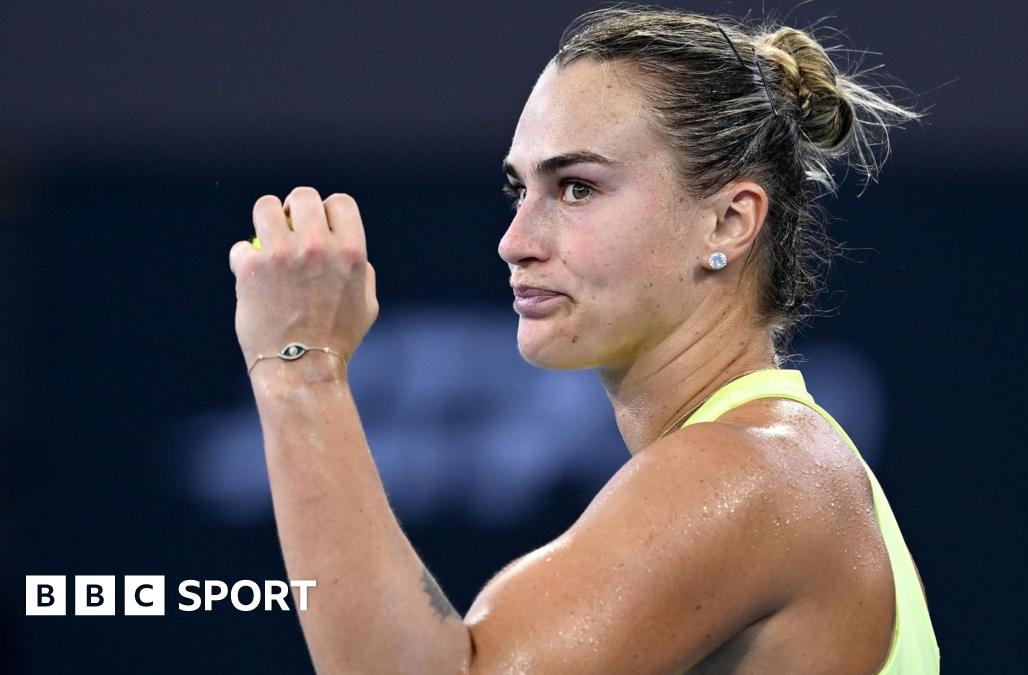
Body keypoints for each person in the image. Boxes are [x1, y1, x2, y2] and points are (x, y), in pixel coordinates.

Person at [227, 6, 937, 674]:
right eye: (519, 191)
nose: (515, 241)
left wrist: (302, 365)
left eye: (577, 188)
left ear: (727, 222)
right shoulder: (776, 462)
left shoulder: (750, 473)